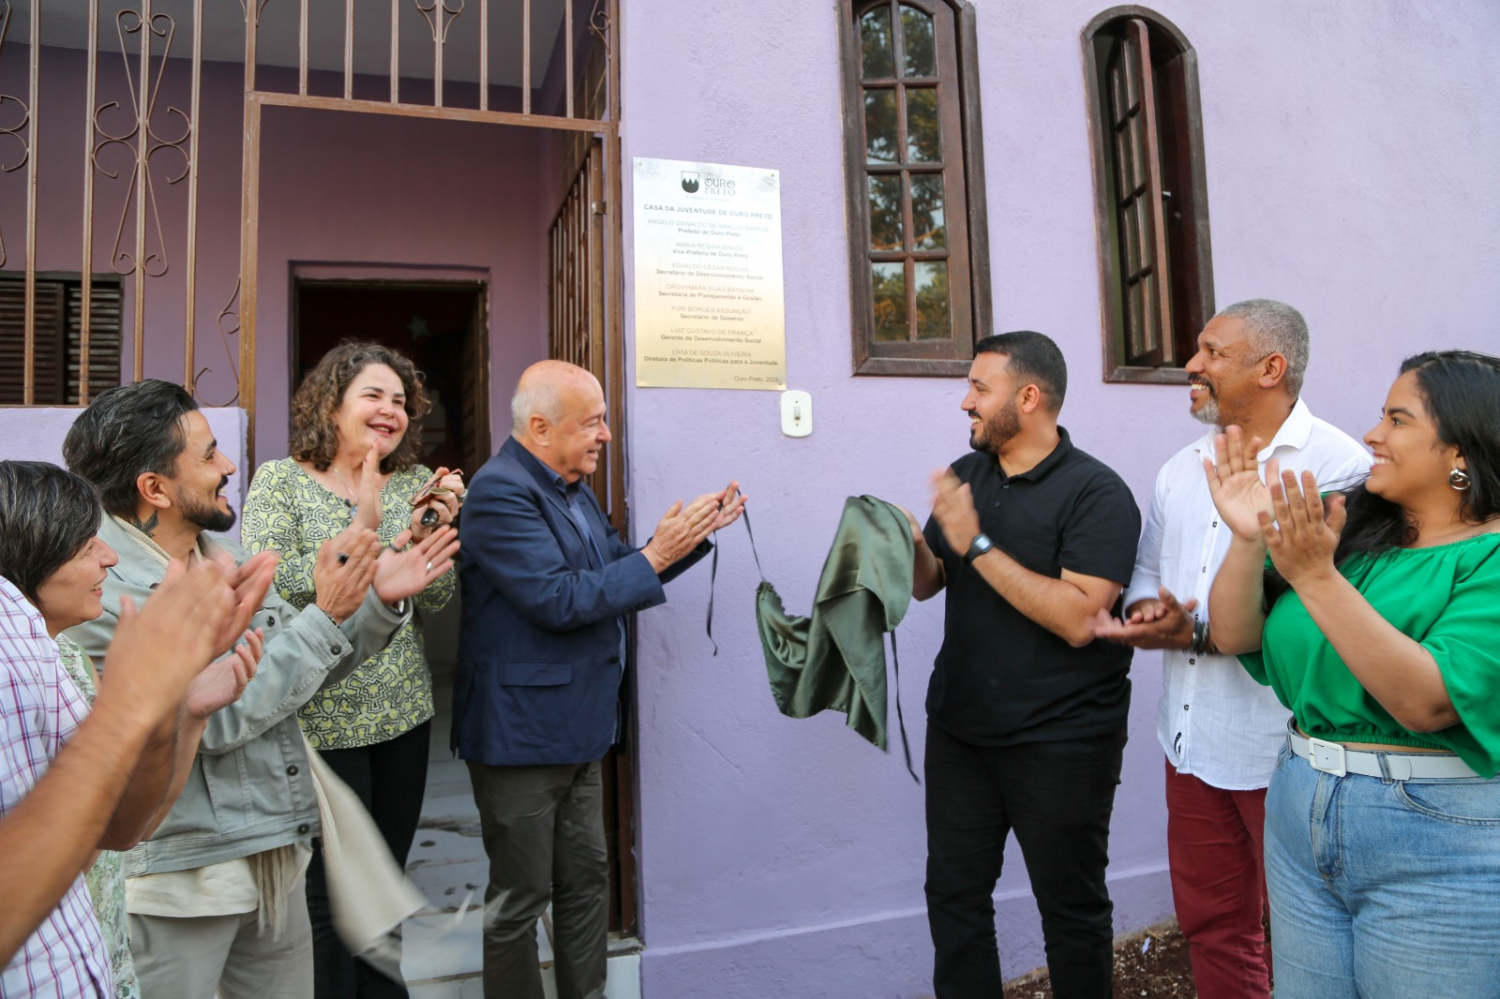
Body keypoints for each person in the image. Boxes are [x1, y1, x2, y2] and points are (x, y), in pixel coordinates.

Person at [62, 379, 459, 999]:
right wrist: (325, 614)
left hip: (274, 857)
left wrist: (376, 601)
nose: (227, 467)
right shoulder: (103, 596)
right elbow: (210, 721)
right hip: (182, 881)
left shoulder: (225, 559)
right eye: (209, 455)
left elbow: (295, 677)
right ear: (154, 489)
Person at [1091, 300, 1369, 998]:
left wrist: (1203, 632)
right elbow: (1151, 572)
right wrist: (1149, 610)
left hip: (1283, 751)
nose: (1192, 364)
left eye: (1212, 351)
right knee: (1214, 925)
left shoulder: (1340, 469)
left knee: (1318, 932)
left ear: (1271, 368)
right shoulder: (1180, 467)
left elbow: (1322, 614)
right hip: (1188, 742)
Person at [1205, 350, 1500, 999]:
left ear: (1461, 451)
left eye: (1397, 418)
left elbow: (1428, 699)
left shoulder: (1490, 557)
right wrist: (1249, 538)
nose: (1373, 434)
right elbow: (1235, 634)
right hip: (1301, 803)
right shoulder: (1354, 526)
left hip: (1437, 834)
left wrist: (1316, 576)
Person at [455, 359, 744, 999]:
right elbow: (560, 600)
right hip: (519, 738)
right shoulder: (498, 493)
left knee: (586, 884)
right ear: (540, 427)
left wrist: (685, 541)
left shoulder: (571, 486)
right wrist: (655, 555)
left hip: (583, 730)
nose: (606, 435)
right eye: (593, 422)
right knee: (521, 899)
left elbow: (617, 568)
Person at [910, 331, 1141, 998]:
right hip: (961, 730)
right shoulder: (968, 473)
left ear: (1029, 396)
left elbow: (1077, 617)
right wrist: (902, 535)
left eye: (980, 388)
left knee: (1070, 912)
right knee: (953, 897)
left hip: (1062, 739)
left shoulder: (1097, 493)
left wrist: (974, 541)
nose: (966, 402)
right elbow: (929, 580)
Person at [242, 342, 463, 999]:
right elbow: (270, 576)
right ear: (331, 405)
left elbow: (437, 597)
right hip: (315, 717)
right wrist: (372, 545)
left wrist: (427, 536)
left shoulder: (415, 482)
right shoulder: (281, 480)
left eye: (400, 400)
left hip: (401, 715)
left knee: (382, 884)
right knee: (328, 898)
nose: (390, 410)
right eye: (374, 395)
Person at [0, 460, 271, 994]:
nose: (109, 555)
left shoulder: (59, 656)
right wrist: (130, 702)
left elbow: (120, 830)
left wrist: (180, 710)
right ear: (32, 554)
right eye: (85, 546)